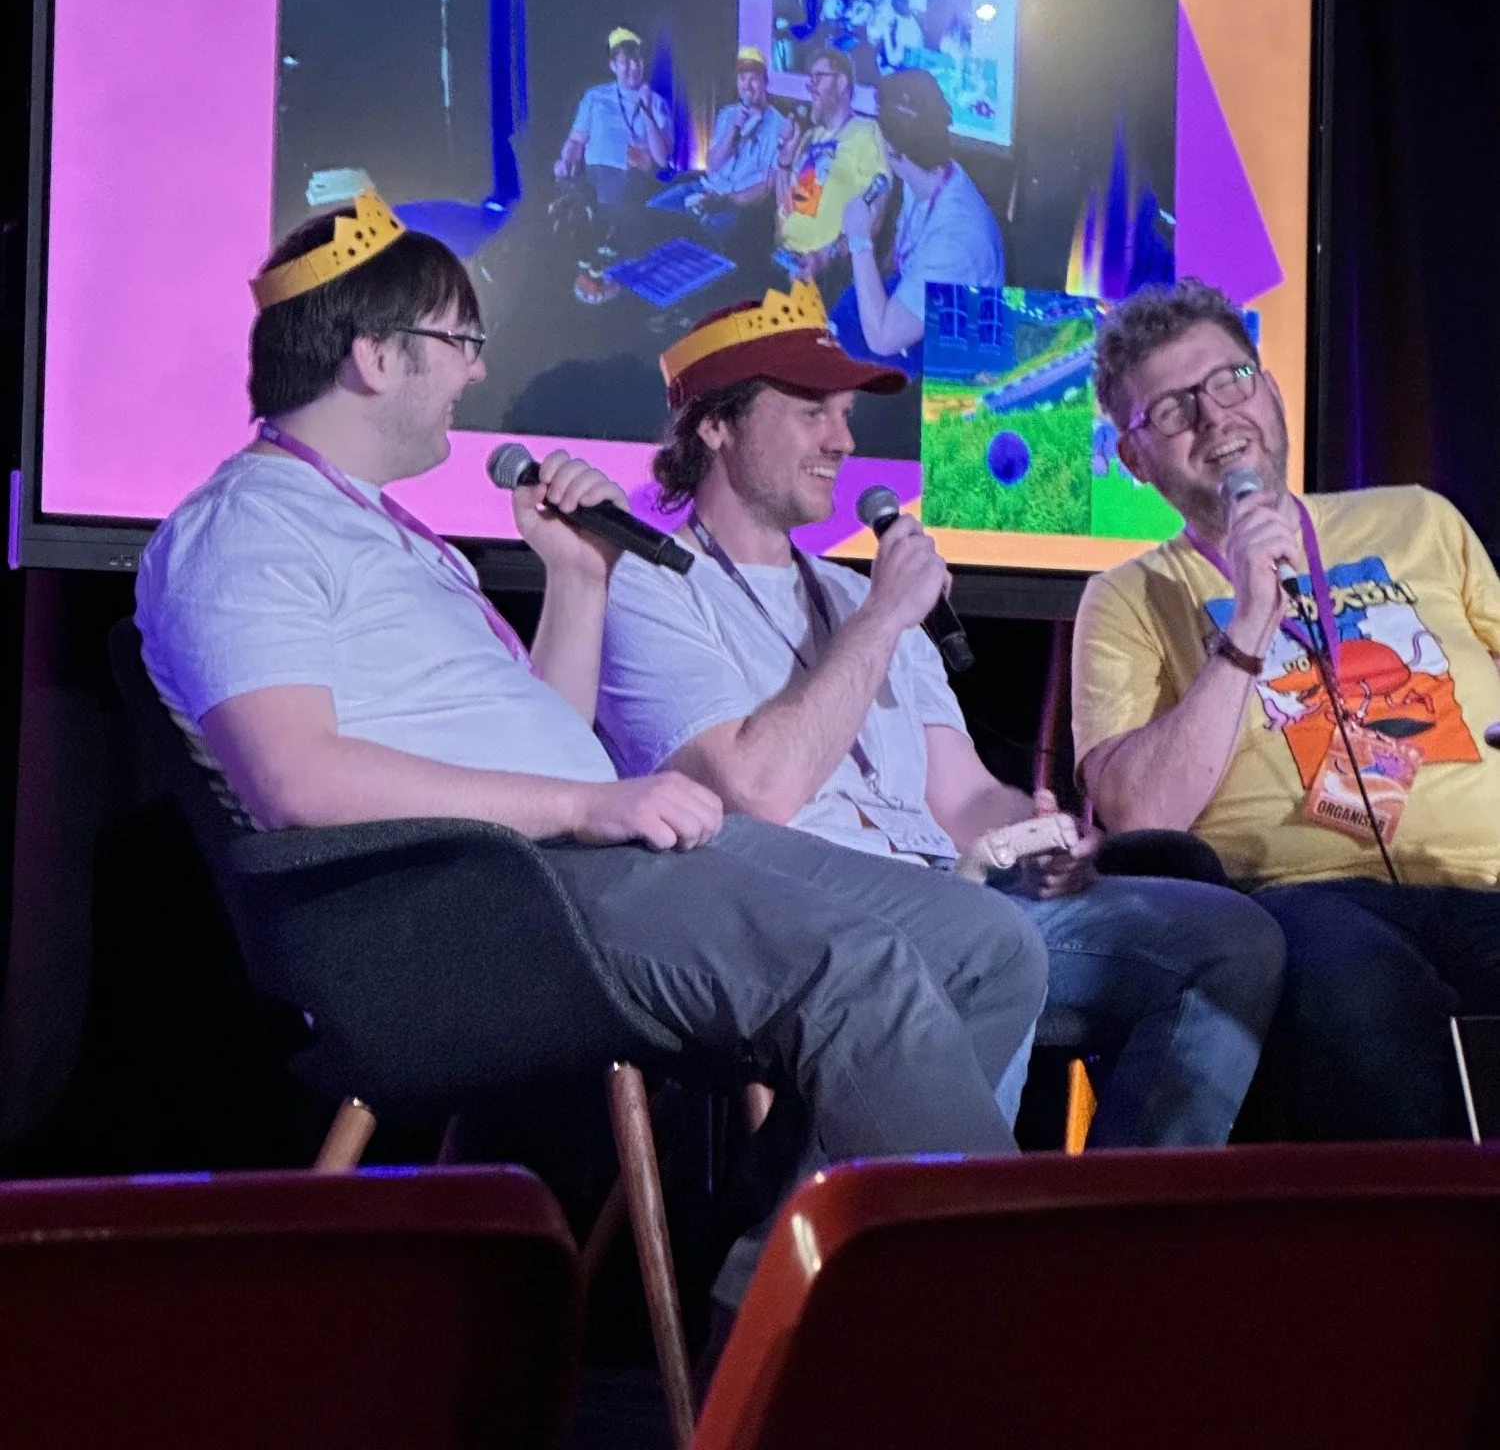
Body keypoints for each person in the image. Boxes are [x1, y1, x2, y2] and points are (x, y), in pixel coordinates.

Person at [135, 188, 1047, 1316]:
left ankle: (768, 1317)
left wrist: (579, 577)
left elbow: (549, 734)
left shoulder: (396, 532)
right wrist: (580, 805)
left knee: (986, 943)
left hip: (578, 862)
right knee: (858, 972)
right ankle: (997, 1328)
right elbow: (297, 779)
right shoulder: (246, 526)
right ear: (374, 356)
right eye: (459, 342)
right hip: (481, 902)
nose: (476, 371)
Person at [595, 281, 1286, 1147]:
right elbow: (755, 791)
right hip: (791, 915)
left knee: (1225, 942)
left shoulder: (852, 588)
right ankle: (931, 1247)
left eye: (845, 414)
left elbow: (956, 797)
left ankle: (1113, 1244)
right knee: (980, 939)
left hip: (955, 889)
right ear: (715, 423)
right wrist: (884, 620)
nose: (842, 440)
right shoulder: (648, 586)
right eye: (812, 412)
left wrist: (1035, 830)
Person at [1073, 276, 1500, 1139]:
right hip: (1302, 901)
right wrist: (1251, 623)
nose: (1216, 417)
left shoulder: (1419, 518)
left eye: (1231, 380)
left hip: (1488, 875)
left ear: (1269, 387)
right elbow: (1138, 815)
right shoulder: (1129, 596)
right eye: (1172, 410)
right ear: (1136, 460)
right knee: (1357, 994)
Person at [838, 68, 1005, 362]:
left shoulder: (957, 239)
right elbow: (900, 259)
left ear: (890, 148)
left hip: (955, 361)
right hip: (922, 314)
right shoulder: (925, 175)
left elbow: (882, 340)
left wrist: (860, 241)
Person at [775, 47, 890, 270]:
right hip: (784, 259)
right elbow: (785, 207)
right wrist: (784, 162)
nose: (811, 86)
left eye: (818, 77)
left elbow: (873, 213)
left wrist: (826, 258)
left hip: (824, 271)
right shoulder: (810, 137)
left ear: (841, 83)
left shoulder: (865, 132)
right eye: (810, 78)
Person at [554, 27, 672, 207]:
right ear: (613, 66)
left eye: (637, 60)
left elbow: (662, 159)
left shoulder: (657, 103)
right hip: (597, 177)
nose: (633, 67)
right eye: (625, 61)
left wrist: (647, 111)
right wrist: (566, 160)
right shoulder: (595, 97)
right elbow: (576, 141)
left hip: (635, 180)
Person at [688, 47, 786, 215]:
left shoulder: (779, 125)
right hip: (706, 189)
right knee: (656, 210)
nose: (747, 86)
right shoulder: (728, 114)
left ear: (765, 82)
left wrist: (727, 200)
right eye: (742, 78)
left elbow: (766, 186)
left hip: (735, 205)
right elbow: (712, 165)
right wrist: (734, 129)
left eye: (753, 79)